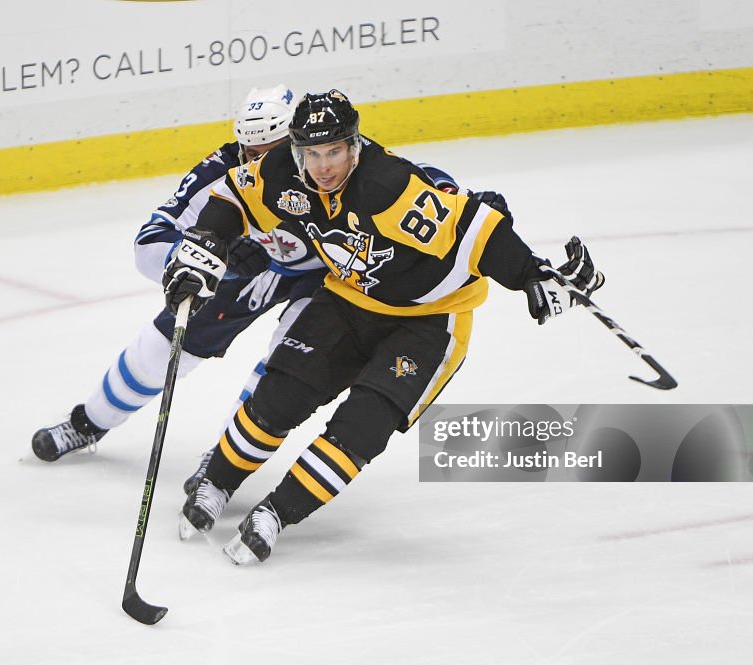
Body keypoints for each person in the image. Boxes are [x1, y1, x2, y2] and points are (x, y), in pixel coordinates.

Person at [162, 89, 604, 564]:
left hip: (430, 320)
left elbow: (475, 229)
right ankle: (218, 483)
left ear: (354, 146)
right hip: (350, 300)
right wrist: (208, 241)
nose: (324, 165)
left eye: (334, 151)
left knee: (363, 425)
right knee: (279, 394)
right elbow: (234, 194)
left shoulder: (387, 185)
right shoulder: (285, 173)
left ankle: (275, 513)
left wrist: (532, 276)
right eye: (313, 153)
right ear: (297, 151)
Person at [30, 85, 463, 472]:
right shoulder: (222, 172)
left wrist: (449, 198)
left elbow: (411, 181)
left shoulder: (333, 157)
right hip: (246, 273)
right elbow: (150, 242)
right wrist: (200, 260)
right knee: (160, 346)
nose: (262, 163)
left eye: (274, 149)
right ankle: (87, 422)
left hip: (328, 279)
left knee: (286, 361)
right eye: (251, 153)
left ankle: (222, 461)